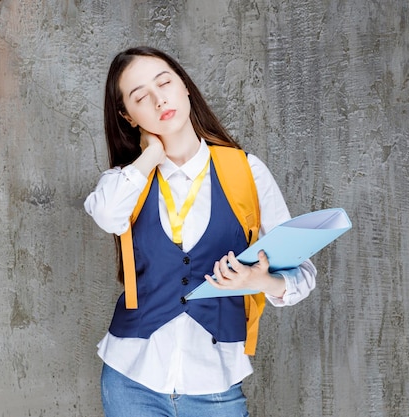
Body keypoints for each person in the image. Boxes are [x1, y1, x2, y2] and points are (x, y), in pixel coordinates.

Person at [84, 46, 317, 417]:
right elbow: (108, 216)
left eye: (165, 83)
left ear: (185, 86)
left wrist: (259, 282)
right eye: (141, 97)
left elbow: (301, 273)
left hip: (215, 388)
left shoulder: (247, 172)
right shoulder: (128, 181)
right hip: (131, 381)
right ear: (127, 115)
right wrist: (149, 155)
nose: (160, 99)